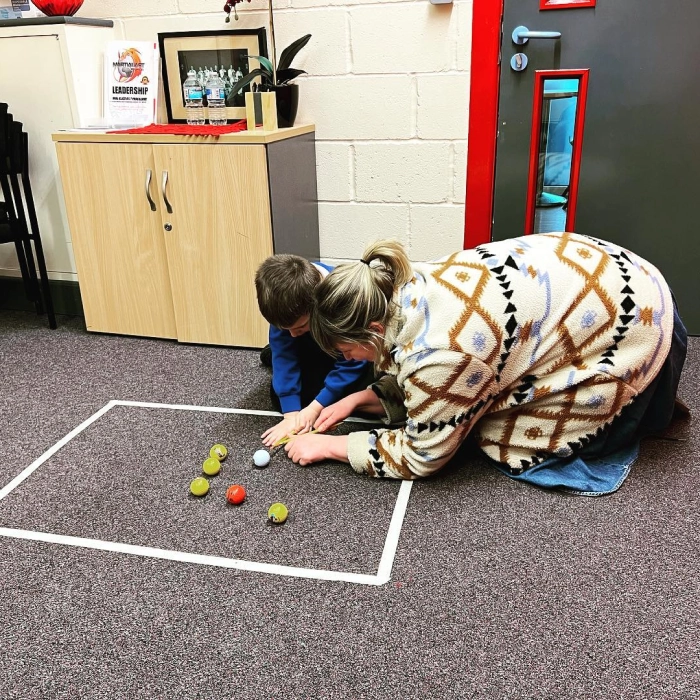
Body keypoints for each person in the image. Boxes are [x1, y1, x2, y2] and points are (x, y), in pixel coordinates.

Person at [284, 231, 688, 493]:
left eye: (344, 350)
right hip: (623, 278)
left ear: (372, 329)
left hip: (639, 333)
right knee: (473, 394)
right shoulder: (403, 284)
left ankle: (631, 414)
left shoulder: (440, 353)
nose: (346, 359)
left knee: (490, 432)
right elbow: (416, 374)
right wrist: (359, 400)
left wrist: (331, 447)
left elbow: (424, 453)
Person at [255, 254, 373, 448]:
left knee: (363, 390)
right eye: (286, 329)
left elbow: (353, 360)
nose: (292, 334)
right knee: (279, 397)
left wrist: (315, 408)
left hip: (347, 350)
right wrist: (291, 416)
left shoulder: (341, 298)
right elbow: (285, 354)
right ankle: (275, 352)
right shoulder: (283, 305)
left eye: (299, 326)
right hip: (315, 342)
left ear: (317, 306)